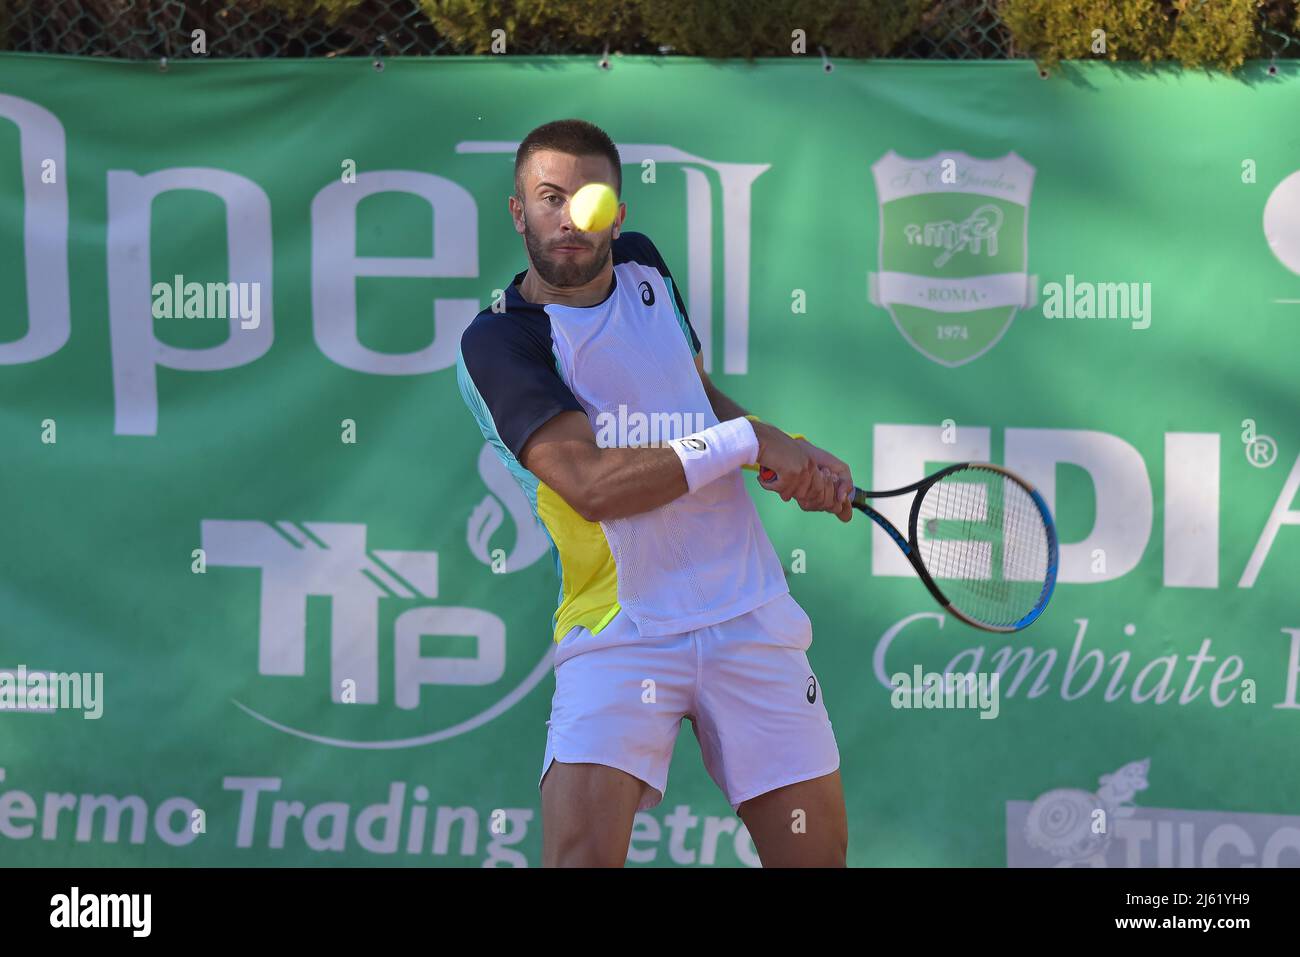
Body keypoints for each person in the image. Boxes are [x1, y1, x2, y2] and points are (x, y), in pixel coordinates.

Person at [456, 118, 854, 867]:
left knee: (815, 858)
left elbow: (694, 395)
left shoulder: (642, 267)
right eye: (548, 198)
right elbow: (589, 484)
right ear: (518, 212)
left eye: (589, 199)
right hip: (621, 628)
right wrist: (748, 442)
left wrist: (786, 450)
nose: (570, 217)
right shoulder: (500, 341)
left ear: (620, 215)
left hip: (749, 614)